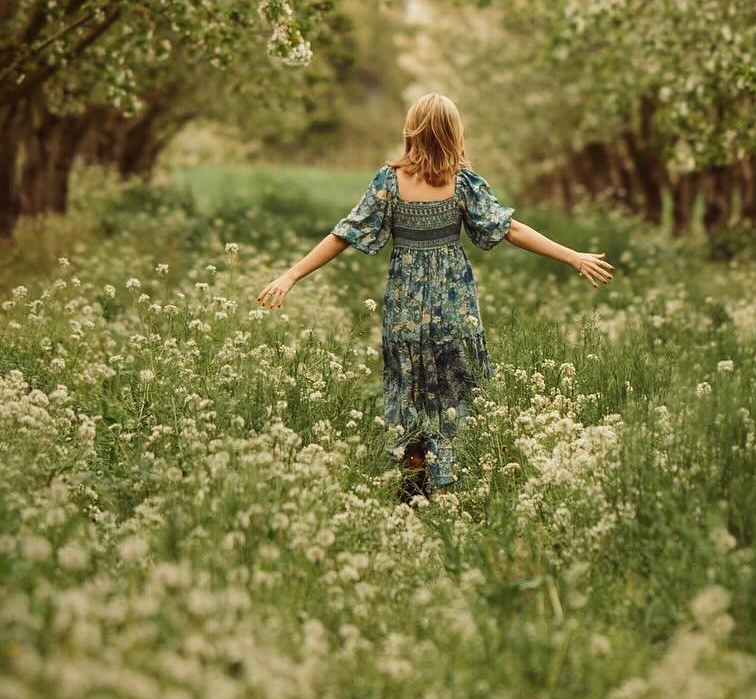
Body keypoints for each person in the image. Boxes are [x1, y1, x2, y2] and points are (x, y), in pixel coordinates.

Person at [256, 93, 615, 503]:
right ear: (452, 133)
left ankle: (411, 488)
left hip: (405, 309)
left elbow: (344, 234)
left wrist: (291, 274)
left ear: (413, 131)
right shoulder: (463, 183)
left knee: (408, 387)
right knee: (458, 390)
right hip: (454, 306)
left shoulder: (389, 181)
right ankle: (453, 482)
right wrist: (573, 256)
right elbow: (510, 229)